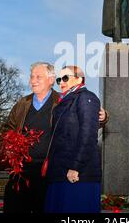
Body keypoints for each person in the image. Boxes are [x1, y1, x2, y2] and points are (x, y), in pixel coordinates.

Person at [3, 62, 108, 213]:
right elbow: (9, 128)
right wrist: (9, 147)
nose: (33, 80)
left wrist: (104, 117)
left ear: (51, 80)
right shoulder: (22, 103)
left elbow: (86, 124)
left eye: (38, 76)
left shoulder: (62, 100)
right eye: (32, 76)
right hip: (21, 171)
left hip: (47, 171)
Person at [44, 66, 102, 213]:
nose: (61, 82)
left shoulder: (86, 97)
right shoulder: (63, 102)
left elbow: (88, 135)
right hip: (59, 174)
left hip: (77, 176)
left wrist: (76, 167)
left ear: (79, 79)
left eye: (65, 78)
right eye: (59, 79)